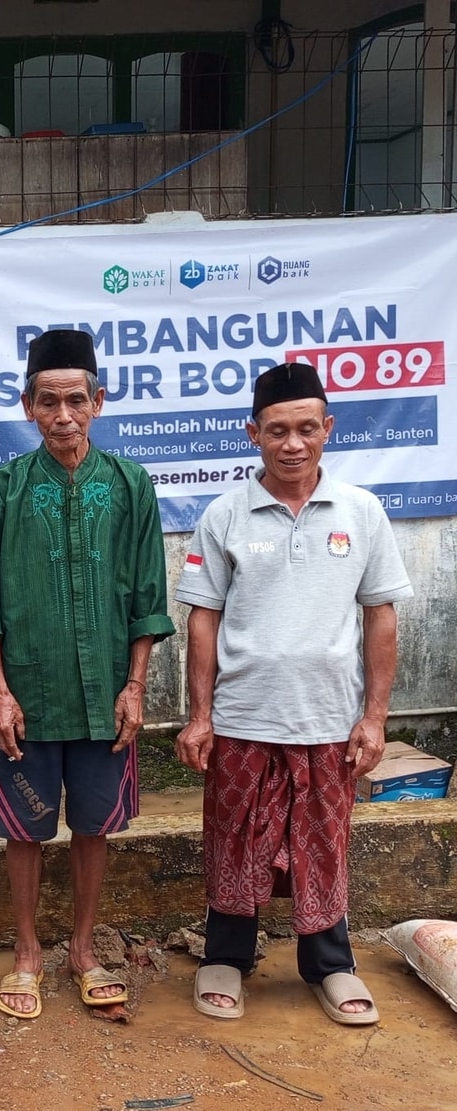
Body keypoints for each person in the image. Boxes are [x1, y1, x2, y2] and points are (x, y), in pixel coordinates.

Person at [174, 361, 412, 1025]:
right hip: (243, 719)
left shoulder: (361, 512)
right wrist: (199, 717)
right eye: (277, 430)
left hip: (328, 721)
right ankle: (226, 957)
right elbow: (202, 619)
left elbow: (381, 615)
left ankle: (330, 965)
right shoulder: (225, 515)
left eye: (306, 428)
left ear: (327, 428)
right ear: (254, 434)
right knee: (233, 841)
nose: (293, 443)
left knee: (323, 844)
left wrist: (375, 717)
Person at [0, 329, 174, 1020]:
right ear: (27, 406)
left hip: (105, 695)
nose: (63, 416)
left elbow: (147, 600)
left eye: (75, 401)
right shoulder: (3, 490)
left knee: (93, 825)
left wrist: (135, 687)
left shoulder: (130, 485)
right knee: (24, 829)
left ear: (98, 402)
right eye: (48, 402)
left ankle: (82, 949)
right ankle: (27, 952)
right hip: (29, 693)